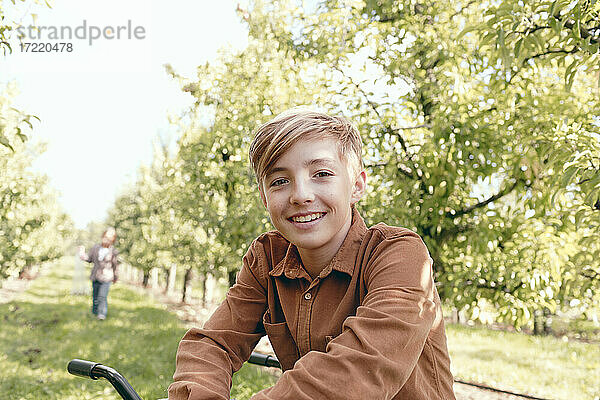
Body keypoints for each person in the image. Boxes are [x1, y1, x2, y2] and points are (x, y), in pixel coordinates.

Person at [168, 109, 456, 399]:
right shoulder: (267, 258)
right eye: (280, 181)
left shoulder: (399, 254)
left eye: (322, 174)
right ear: (264, 197)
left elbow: (359, 369)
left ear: (356, 185)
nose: (300, 195)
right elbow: (214, 344)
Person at [79, 227, 119, 320]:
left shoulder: (113, 251)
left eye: (110, 238)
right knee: (95, 296)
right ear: (103, 236)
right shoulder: (95, 248)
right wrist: (82, 254)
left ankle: (102, 314)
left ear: (112, 240)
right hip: (96, 276)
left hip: (107, 277)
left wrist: (116, 277)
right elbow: (89, 258)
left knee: (102, 296)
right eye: (105, 237)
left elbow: (115, 265)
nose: (107, 240)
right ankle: (94, 312)